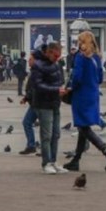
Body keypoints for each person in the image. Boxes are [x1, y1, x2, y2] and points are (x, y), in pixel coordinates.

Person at [62, 31, 106, 173]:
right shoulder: (96, 57)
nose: (78, 43)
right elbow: (100, 78)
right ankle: (76, 160)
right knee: (83, 127)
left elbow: (77, 77)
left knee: (83, 128)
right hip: (93, 94)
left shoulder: (80, 57)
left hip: (81, 95)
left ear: (83, 42)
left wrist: (70, 88)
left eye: (79, 41)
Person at [31, 41, 67, 174]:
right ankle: (46, 162)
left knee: (56, 134)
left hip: (54, 102)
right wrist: (56, 90)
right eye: (56, 56)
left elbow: (59, 80)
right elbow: (37, 85)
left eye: (59, 56)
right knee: (46, 135)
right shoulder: (38, 65)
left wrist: (62, 88)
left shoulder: (55, 64)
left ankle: (53, 160)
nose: (57, 58)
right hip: (43, 103)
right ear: (49, 52)